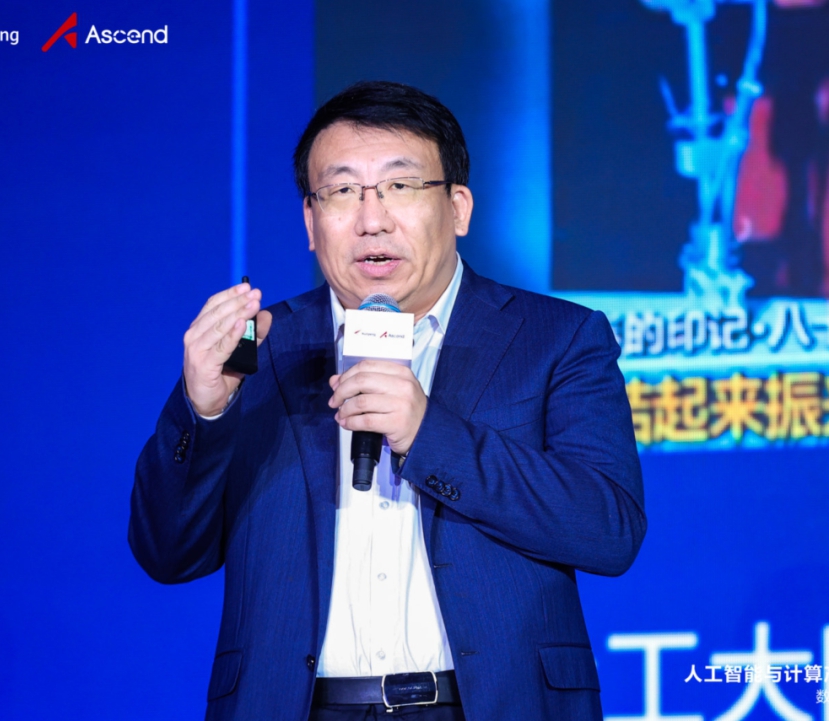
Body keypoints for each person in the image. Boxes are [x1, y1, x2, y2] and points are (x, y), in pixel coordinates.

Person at [129, 80, 646, 721]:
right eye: (342, 191)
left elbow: (608, 530)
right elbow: (168, 553)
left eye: (400, 186)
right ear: (311, 221)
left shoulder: (556, 337)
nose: (372, 219)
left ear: (458, 208)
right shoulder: (257, 347)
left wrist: (430, 433)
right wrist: (204, 410)